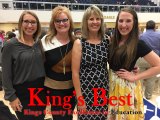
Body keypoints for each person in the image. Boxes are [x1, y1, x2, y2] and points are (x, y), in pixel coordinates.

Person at [108, 8, 160, 120]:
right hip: (111, 86)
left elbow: (158, 65)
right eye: (121, 21)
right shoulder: (113, 41)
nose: (123, 25)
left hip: (126, 89)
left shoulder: (138, 43)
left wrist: (136, 76)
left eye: (128, 21)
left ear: (134, 23)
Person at [2, 11, 46, 120]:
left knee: (40, 117)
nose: (30, 25)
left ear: (37, 25)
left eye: (33, 22)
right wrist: (12, 97)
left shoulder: (38, 43)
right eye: (26, 21)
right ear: (20, 23)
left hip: (40, 90)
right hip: (22, 93)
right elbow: (6, 74)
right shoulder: (10, 45)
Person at [72, 5, 109, 120]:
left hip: (103, 90)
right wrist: (80, 97)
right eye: (91, 19)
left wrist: (132, 67)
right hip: (86, 91)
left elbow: (114, 62)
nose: (95, 22)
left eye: (98, 19)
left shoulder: (106, 40)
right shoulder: (79, 43)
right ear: (86, 21)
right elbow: (75, 73)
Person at [41, 6, 76, 120]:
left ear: (69, 21)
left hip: (72, 90)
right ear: (53, 23)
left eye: (65, 20)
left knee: (69, 116)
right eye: (58, 21)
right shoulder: (46, 41)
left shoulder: (75, 42)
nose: (62, 23)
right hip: (53, 90)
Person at [137, 20, 160, 100]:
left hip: (142, 59)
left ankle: (139, 96)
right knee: (151, 79)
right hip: (154, 60)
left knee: (140, 78)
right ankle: (148, 96)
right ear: (154, 27)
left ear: (146, 27)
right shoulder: (159, 35)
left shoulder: (142, 35)